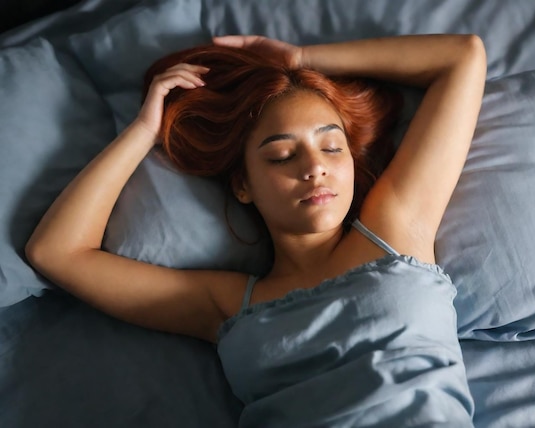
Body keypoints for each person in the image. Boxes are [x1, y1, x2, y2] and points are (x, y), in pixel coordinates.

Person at [26, 34, 486, 426]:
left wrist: (300, 60)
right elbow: (57, 251)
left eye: (331, 146)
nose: (314, 168)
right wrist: (146, 130)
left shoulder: (396, 230)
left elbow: (463, 56)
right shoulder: (226, 306)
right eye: (283, 156)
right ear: (243, 186)